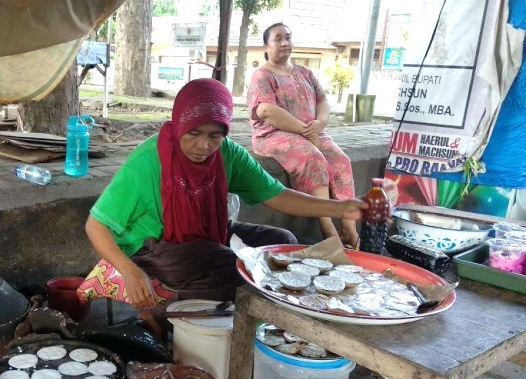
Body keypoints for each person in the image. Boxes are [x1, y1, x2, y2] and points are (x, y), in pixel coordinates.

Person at [84, 78, 366, 310]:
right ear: (179, 123)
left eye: (214, 135)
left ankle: (258, 313)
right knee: (235, 267)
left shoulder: (228, 154)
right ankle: (179, 318)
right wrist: (130, 271)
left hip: (208, 231)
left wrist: (338, 209)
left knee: (283, 243)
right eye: (193, 133)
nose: (203, 145)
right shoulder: (148, 161)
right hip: (151, 243)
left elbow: (277, 195)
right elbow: (95, 225)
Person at [248, 23, 360, 248]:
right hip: (274, 135)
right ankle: (328, 228)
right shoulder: (262, 75)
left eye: (288, 38)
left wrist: (319, 123)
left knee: (340, 160)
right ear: (266, 46)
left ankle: (349, 229)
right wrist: (306, 131)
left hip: (311, 132)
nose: (284, 43)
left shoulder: (305, 73)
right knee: (313, 158)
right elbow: (266, 111)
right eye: (277, 39)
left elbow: (323, 101)